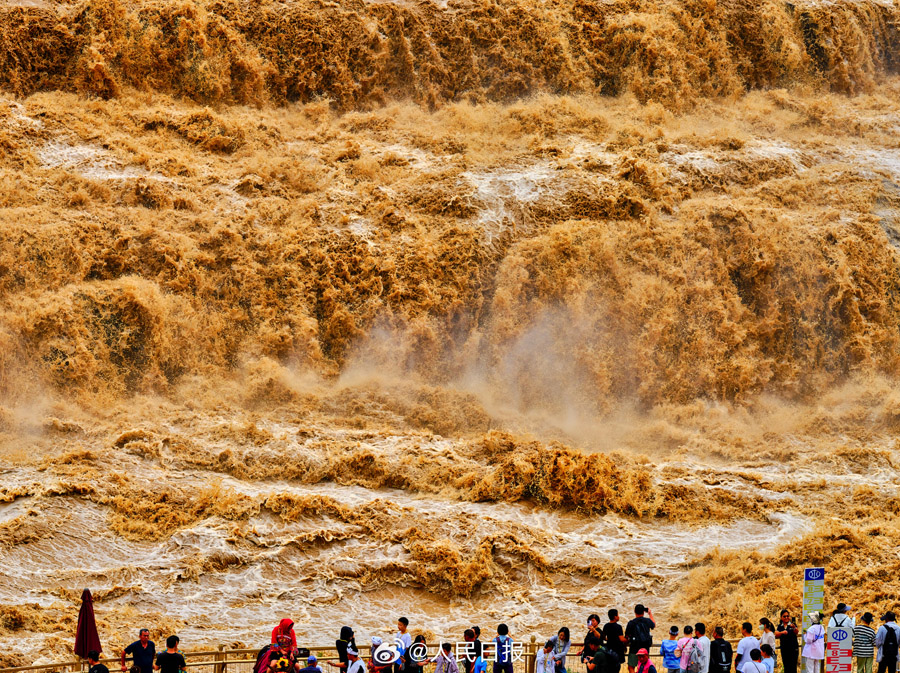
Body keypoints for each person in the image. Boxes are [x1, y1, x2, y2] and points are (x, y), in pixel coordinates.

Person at [625, 606, 656, 673]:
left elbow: (627, 636)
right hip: (645, 649)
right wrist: (650, 613)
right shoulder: (647, 621)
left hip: (634, 648)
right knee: (645, 667)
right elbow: (653, 625)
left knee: (631, 667)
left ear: (634, 612)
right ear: (643, 612)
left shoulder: (631, 623)